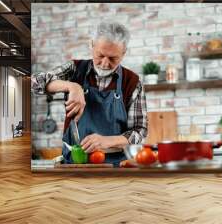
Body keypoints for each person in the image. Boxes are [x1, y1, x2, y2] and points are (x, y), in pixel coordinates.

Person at [31, 21, 148, 167]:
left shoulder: (132, 82)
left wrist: (108, 141)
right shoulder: (75, 69)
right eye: (100, 55)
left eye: (113, 58)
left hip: (116, 165)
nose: (105, 64)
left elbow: (140, 132)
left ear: (123, 53)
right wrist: (72, 87)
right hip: (74, 163)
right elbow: (35, 82)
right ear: (91, 45)